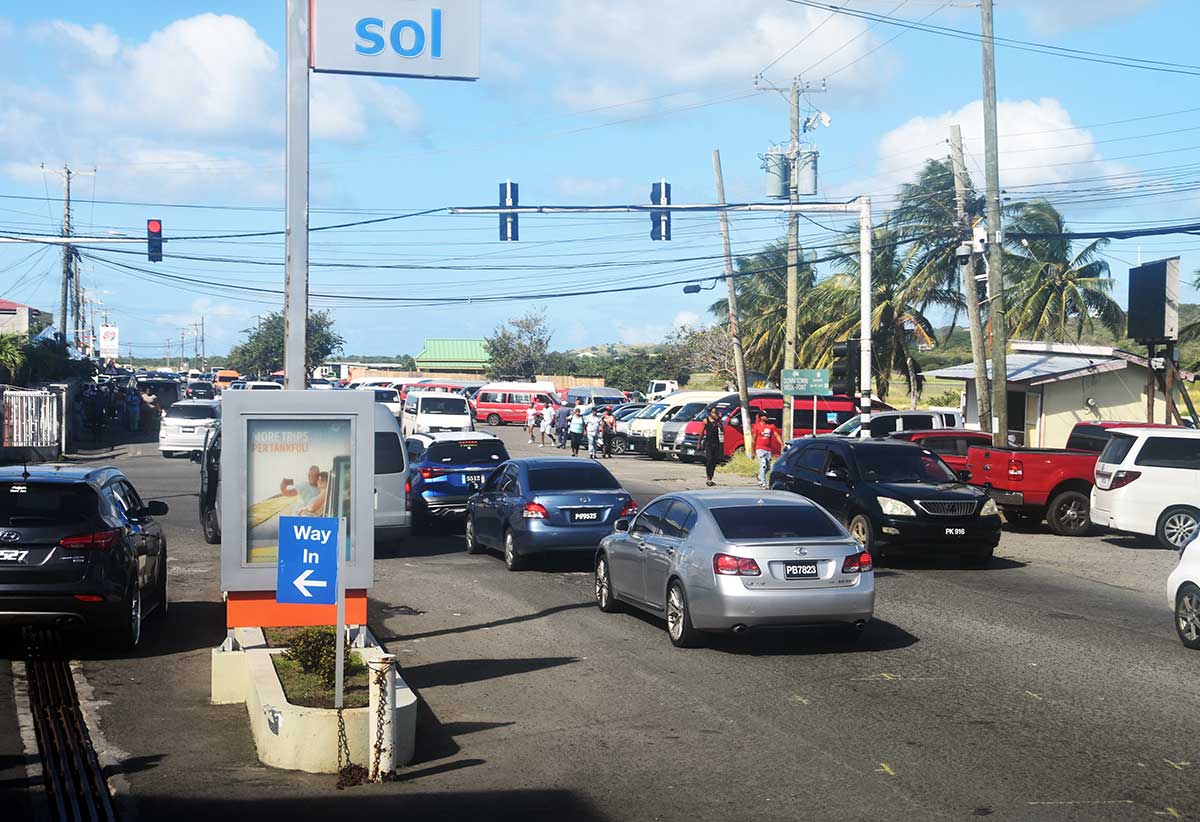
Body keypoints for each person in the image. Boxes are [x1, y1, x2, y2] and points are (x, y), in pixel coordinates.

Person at [751, 410, 784, 489]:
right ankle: (763, 483)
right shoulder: (756, 426)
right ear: (761, 417)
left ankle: (760, 476)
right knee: (763, 465)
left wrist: (782, 444)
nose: (766, 417)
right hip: (759, 448)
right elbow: (753, 439)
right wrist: (752, 451)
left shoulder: (771, 426)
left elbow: (777, 435)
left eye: (766, 415)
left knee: (768, 467)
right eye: (764, 416)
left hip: (768, 449)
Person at [699, 408, 724, 487]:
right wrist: (699, 443)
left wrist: (719, 422)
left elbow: (722, 430)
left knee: (714, 461)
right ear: (710, 413)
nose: (714, 414)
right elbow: (701, 432)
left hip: (716, 443)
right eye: (713, 412)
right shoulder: (706, 420)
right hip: (708, 443)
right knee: (709, 459)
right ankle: (708, 477)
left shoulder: (717, 421)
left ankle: (711, 478)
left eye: (715, 412)